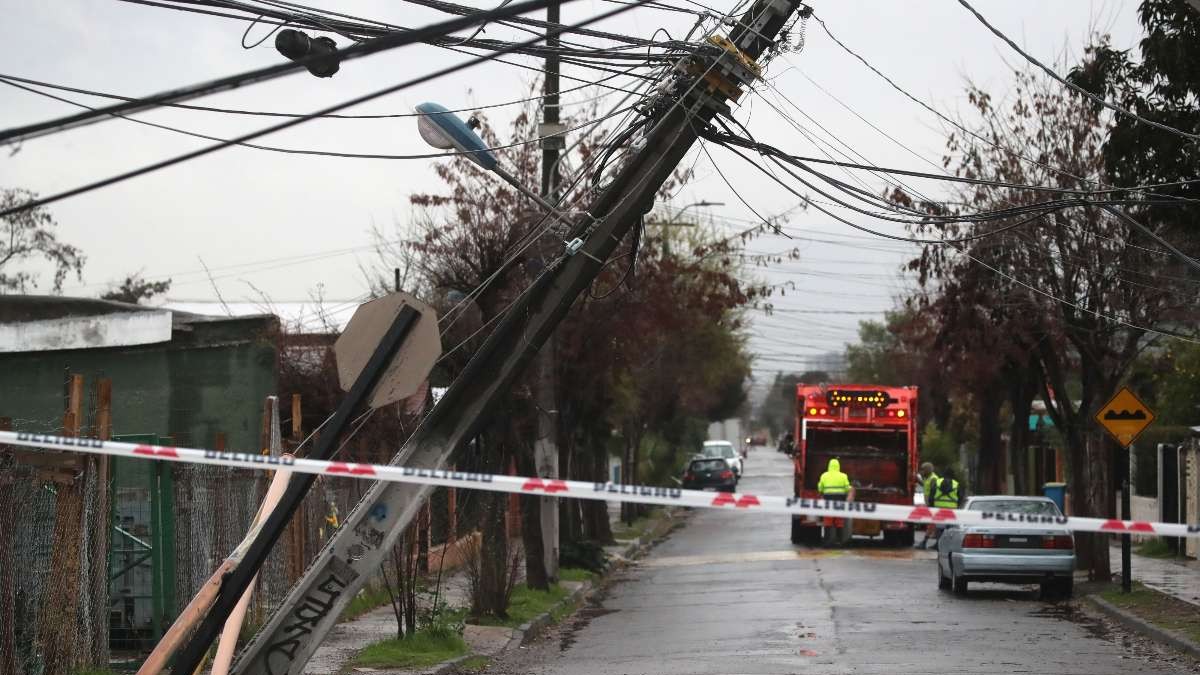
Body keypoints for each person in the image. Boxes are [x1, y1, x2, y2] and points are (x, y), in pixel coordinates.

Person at [817, 458, 853, 546]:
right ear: (838, 466)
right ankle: (839, 541)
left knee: (828, 521)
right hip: (840, 500)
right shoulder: (843, 476)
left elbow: (820, 488)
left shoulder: (824, 475)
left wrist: (822, 491)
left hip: (828, 500)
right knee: (839, 521)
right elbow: (847, 488)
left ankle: (827, 541)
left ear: (829, 466)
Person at [926, 467, 964, 550]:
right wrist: (957, 506)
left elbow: (931, 496)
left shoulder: (937, 482)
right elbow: (960, 497)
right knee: (950, 529)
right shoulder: (956, 484)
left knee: (939, 528)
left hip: (939, 508)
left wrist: (932, 506)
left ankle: (938, 545)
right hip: (952, 510)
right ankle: (948, 546)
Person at [916, 462, 939, 548]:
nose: (922, 472)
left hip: (933, 505)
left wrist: (931, 504)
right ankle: (937, 544)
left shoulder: (933, 479)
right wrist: (918, 480)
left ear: (927, 470)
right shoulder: (928, 478)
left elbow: (933, 492)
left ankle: (924, 542)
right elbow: (925, 485)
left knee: (932, 524)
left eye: (923, 469)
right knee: (934, 525)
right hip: (930, 505)